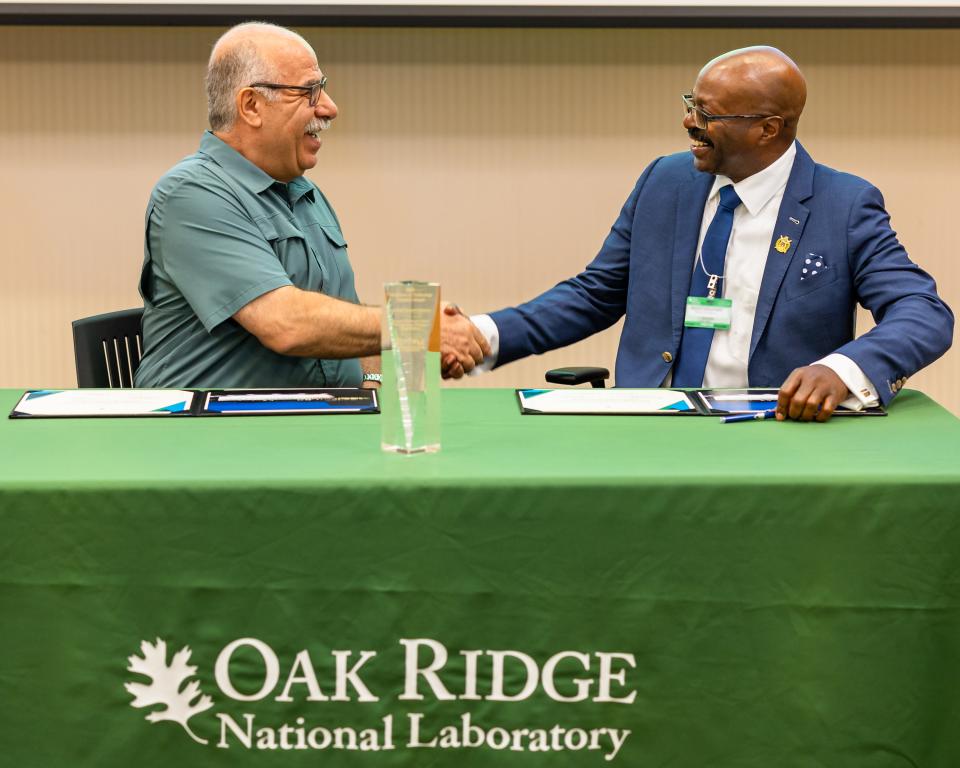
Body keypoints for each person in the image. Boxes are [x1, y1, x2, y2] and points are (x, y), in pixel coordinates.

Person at [459, 46, 953, 421]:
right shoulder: (665, 181)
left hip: (770, 431)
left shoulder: (842, 204)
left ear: (768, 129)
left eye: (707, 115)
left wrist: (843, 370)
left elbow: (923, 313)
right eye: (691, 104)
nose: (688, 121)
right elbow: (596, 294)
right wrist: (482, 334)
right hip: (650, 425)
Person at [136, 22, 488, 389]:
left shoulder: (306, 194)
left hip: (313, 425)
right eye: (309, 92)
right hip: (207, 434)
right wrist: (420, 327)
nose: (330, 108)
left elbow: (344, 323)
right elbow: (285, 323)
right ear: (252, 106)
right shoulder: (191, 193)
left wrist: (375, 378)